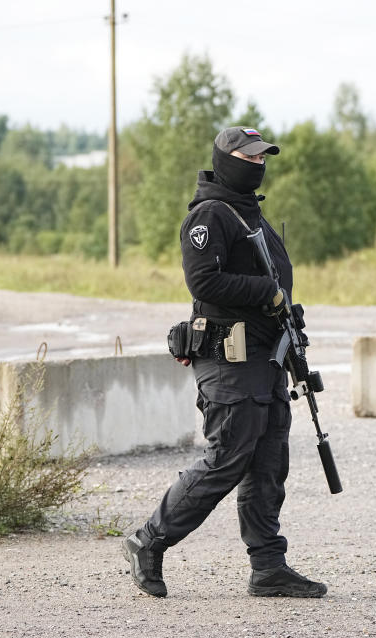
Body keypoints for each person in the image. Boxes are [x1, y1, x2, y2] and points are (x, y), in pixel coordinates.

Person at [121, 126, 327, 599]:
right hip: (230, 359)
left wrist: (286, 313)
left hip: (265, 359)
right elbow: (204, 282)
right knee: (226, 459)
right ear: (225, 157)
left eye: (263, 155)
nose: (258, 162)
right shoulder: (211, 213)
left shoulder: (252, 215)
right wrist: (265, 293)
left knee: (268, 463)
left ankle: (269, 567)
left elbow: (273, 285)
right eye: (248, 155)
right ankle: (147, 541)